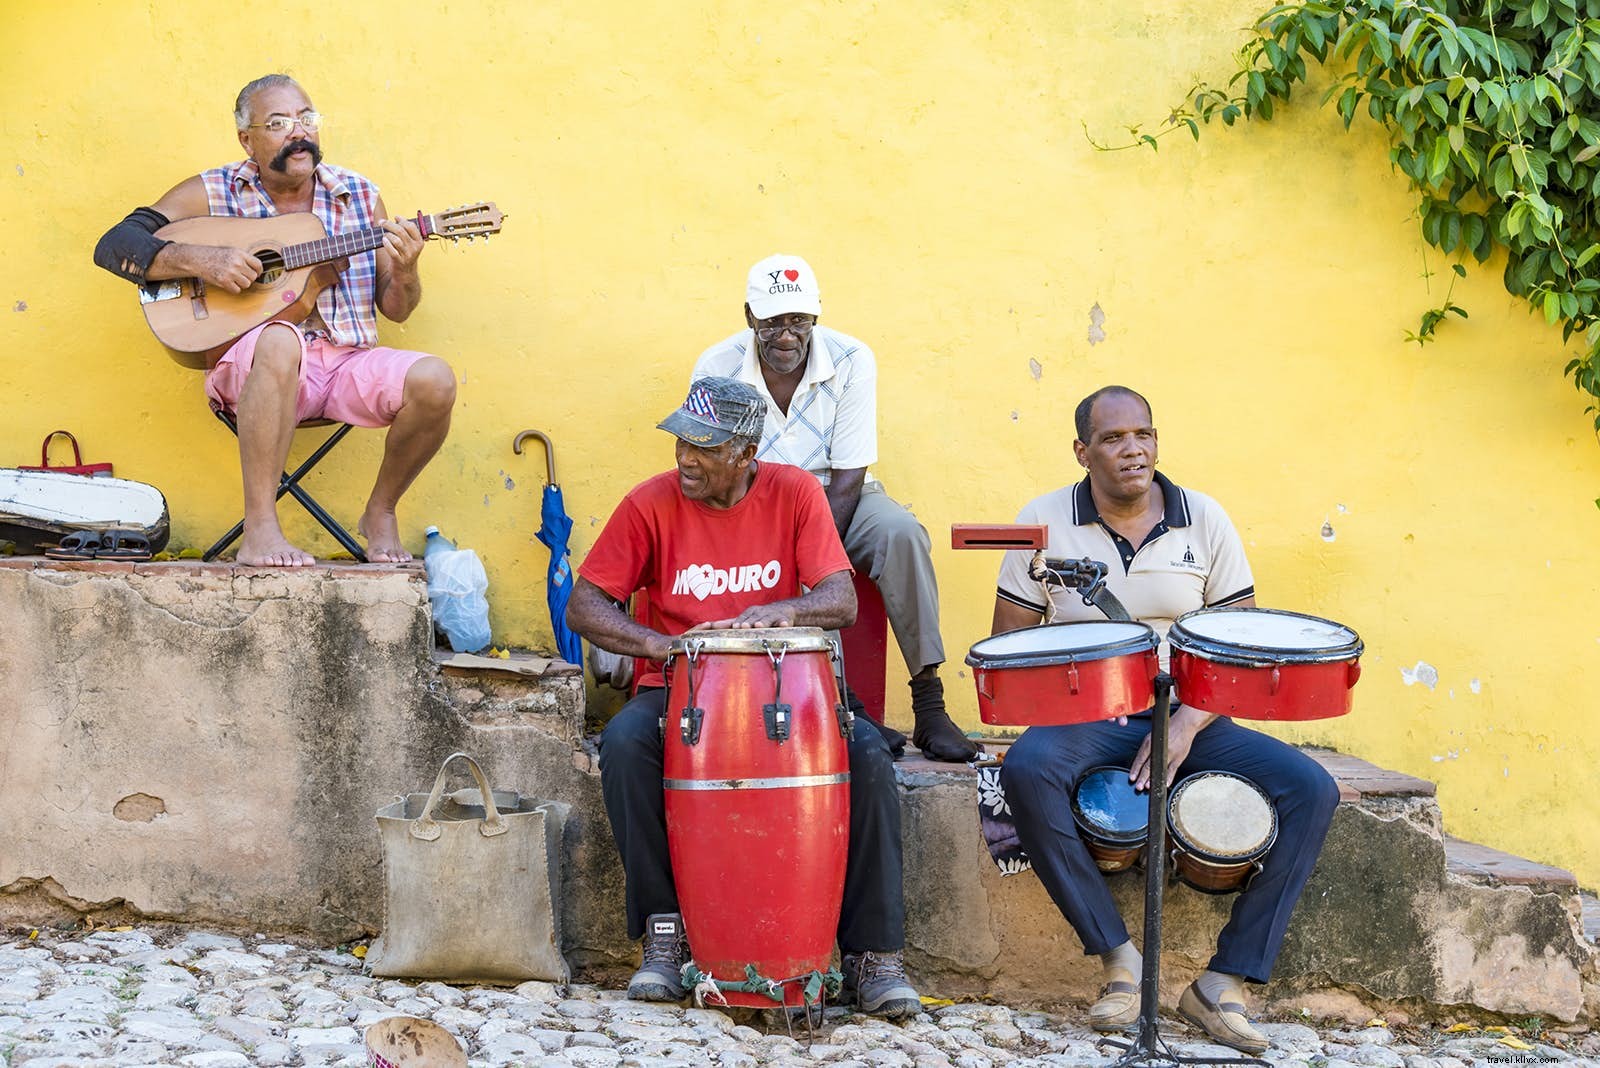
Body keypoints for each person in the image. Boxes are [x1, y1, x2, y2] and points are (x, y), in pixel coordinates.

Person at [988, 385, 1339, 1055]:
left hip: (1189, 712)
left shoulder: (1204, 519)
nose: (1134, 450)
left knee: (1312, 789)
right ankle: (1119, 961)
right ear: (1082, 451)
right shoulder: (1040, 521)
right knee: (1027, 771)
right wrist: (1059, 705)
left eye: (1144, 435)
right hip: (1088, 712)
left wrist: (1181, 727)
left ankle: (1222, 982)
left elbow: (1239, 648)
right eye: (1115, 438)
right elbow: (1009, 649)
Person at [566, 376, 920, 1019]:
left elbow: (839, 598)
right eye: (681, 441)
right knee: (622, 745)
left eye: (704, 446)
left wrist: (779, 611)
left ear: (746, 450)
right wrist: (656, 645)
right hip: (685, 688)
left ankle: (873, 955)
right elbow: (585, 604)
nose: (685, 458)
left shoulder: (795, 492)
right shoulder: (650, 503)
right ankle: (664, 934)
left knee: (868, 755)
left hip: (794, 690)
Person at [92, 73, 456, 567]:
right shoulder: (211, 190)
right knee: (282, 340)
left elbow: (397, 307)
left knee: (435, 380)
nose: (298, 132)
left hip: (344, 363)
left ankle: (380, 512)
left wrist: (408, 267)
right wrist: (202, 260)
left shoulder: (360, 196)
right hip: (248, 366)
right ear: (248, 139)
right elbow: (115, 245)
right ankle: (261, 528)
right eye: (279, 122)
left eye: (307, 119)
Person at [692, 254, 976, 762]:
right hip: (755, 502)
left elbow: (849, 474)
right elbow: (717, 466)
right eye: (773, 321)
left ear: (815, 317)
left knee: (900, 533)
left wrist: (814, 553)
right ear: (749, 317)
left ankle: (929, 704)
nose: (786, 335)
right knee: (777, 572)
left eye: (798, 321)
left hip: (840, 493)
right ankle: (849, 705)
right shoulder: (717, 367)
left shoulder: (851, 359)